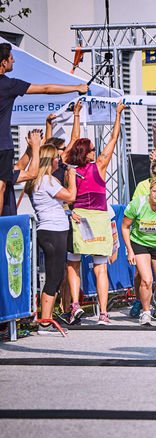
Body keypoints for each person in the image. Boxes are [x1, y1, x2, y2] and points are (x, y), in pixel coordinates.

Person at [0, 42, 88, 215]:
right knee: (1, 185)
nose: (14, 61)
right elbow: (46, 88)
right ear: (3, 62)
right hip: (2, 145)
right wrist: (77, 88)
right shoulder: (9, 84)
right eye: (11, 58)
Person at [64, 102, 125, 326]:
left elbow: (69, 197)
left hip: (79, 217)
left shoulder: (72, 172)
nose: (95, 151)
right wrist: (118, 116)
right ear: (86, 153)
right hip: (98, 218)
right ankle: (103, 315)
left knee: (73, 263)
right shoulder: (100, 165)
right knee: (100, 269)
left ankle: (75, 306)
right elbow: (113, 140)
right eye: (91, 149)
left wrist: (77, 115)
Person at [25, 140, 75, 334]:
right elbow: (71, 196)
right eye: (56, 157)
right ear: (49, 160)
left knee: (56, 275)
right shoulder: (47, 180)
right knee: (53, 277)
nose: (59, 160)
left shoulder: (40, 180)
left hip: (52, 230)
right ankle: (45, 322)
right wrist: (71, 177)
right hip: (53, 231)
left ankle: (47, 318)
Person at [121, 177, 156, 326]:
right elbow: (125, 227)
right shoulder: (137, 204)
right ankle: (145, 312)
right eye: (154, 191)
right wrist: (130, 250)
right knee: (147, 279)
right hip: (140, 243)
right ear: (149, 190)